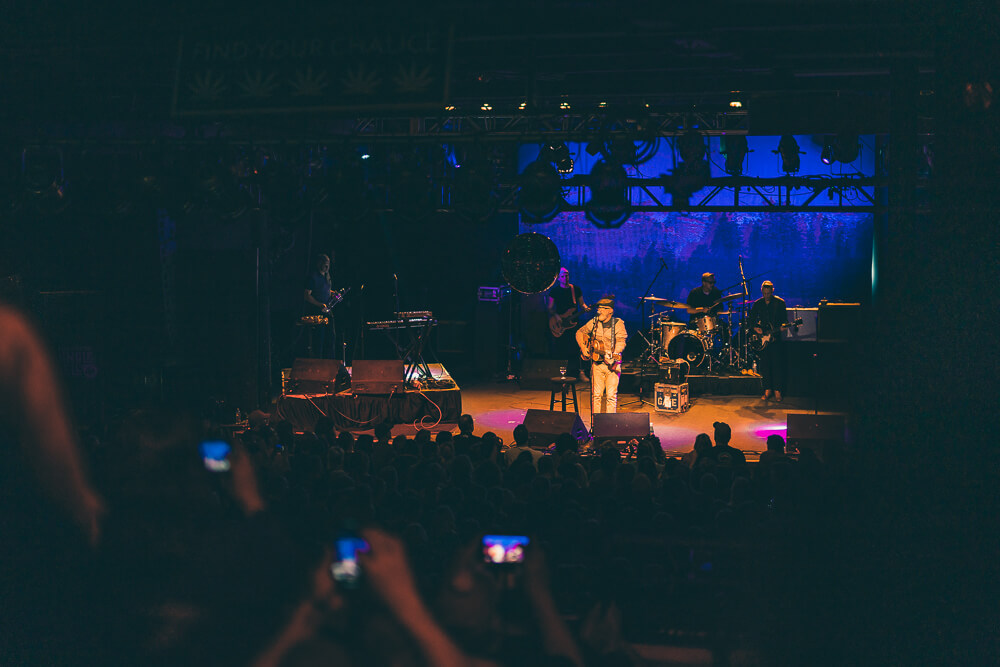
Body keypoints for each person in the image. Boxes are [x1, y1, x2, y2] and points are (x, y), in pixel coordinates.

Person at [576, 296, 627, 414]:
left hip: (612, 365)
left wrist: (615, 354)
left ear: (610, 311)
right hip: (597, 365)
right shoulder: (594, 322)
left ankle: (609, 425)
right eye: (599, 308)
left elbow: (621, 341)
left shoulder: (618, 323)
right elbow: (579, 332)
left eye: (603, 308)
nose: (599, 310)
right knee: (596, 396)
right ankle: (596, 425)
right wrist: (583, 348)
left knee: (611, 396)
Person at [546, 267, 589, 381]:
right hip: (560, 324)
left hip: (574, 324)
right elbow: (550, 308)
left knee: (578, 348)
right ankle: (562, 374)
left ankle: (580, 372)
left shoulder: (576, 289)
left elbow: (582, 304)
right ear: (558, 278)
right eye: (563, 276)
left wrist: (585, 308)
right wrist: (557, 316)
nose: (566, 278)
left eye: (567, 275)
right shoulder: (555, 291)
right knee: (561, 349)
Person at [748, 280, 788, 402]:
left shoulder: (780, 303)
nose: (766, 296)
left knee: (777, 365)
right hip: (762, 340)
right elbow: (750, 320)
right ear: (762, 292)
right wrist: (756, 328)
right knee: (765, 365)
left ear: (772, 291)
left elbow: (784, 321)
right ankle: (767, 390)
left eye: (768, 293)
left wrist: (781, 328)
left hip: (775, 338)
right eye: (764, 293)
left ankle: (777, 391)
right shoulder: (758, 304)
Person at [303, 252, 341, 358]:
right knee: (319, 340)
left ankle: (330, 364)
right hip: (317, 312)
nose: (327, 266)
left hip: (328, 311)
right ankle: (318, 365)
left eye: (328, 264)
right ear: (319, 263)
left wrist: (333, 293)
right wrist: (319, 305)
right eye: (325, 264)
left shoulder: (327, 276)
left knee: (331, 338)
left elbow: (326, 290)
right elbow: (307, 295)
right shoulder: (313, 277)